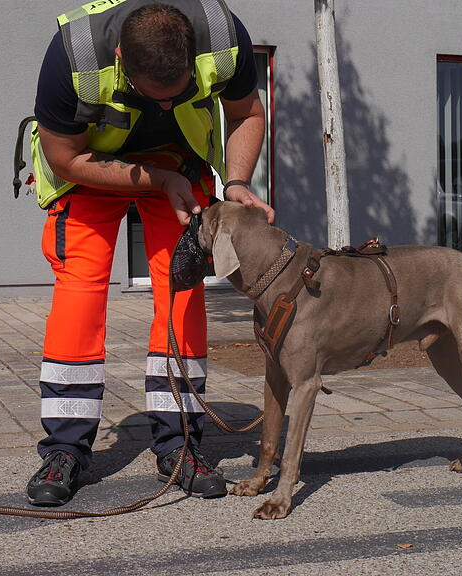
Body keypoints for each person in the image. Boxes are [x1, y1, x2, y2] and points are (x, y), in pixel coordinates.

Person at [26, 0, 274, 507]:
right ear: (120, 57)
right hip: (89, 168)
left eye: (177, 94)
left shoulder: (222, 34)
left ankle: (180, 443)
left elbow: (247, 112)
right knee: (80, 294)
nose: (165, 107)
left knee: (181, 294)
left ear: (191, 56)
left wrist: (236, 181)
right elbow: (64, 157)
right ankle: (65, 449)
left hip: (179, 167)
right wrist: (155, 179)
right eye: (151, 96)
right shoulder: (74, 54)